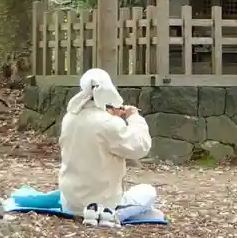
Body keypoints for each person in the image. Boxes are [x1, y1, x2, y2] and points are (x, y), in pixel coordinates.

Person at [58, 68, 163, 227]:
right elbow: (140, 147)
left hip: (70, 204)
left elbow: (95, 133)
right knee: (148, 192)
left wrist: (112, 117)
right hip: (104, 201)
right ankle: (109, 214)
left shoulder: (69, 118)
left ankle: (95, 212)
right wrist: (134, 117)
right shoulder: (109, 123)